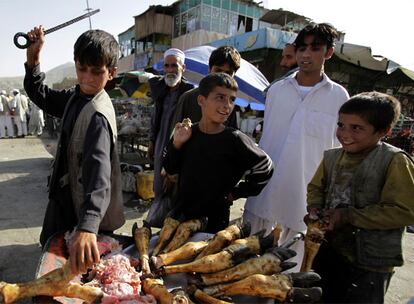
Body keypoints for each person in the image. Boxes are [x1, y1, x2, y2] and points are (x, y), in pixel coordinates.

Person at [243, 23, 350, 270]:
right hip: (265, 190)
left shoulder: (339, 97)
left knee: (289, 270)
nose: (306, 54)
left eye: (315, 48)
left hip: (305, 198)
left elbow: (336, 150)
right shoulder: (277, 91)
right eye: (301, 48)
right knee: (245, 261)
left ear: (329, 52)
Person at [24, 27, 125, 274]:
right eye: (82, 69)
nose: (87, 78)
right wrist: (33, 59)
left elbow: (99, 176)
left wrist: (88, 227)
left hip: (82, 214)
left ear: (111, 73)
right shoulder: (76, 96)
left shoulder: (98, 115)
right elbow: (42, 96)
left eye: (96, 71)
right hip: (63, 203)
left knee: (80, 279)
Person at [306, 92, 414, 303]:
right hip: (328, 252)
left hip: (369, 263)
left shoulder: (395, 161)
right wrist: (315, 209)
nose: (344, 133)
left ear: (384, 131)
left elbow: (405, 211)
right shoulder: (332, 156)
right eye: (341, 125)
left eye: (356, 128)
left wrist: (347, 216)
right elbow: (315, 188)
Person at [163, 73, 273, 233]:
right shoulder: (186, 133)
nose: (227, 105)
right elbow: (170, 169)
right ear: (201, 100)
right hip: (182, 215)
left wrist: (236, 193)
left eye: (232, 99)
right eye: (220, 97)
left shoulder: (235, 139)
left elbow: (266, 167)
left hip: (215, 221)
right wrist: (177, 144)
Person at [145, 48, 194, 227]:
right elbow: (154, 118)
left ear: (183, 67)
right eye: (167, 66)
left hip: (179, 145)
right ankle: (159, 224)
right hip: (160, 144)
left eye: (174, 65)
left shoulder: (190, 93)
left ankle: (171, 226)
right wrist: (151, 141)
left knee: (175, 186)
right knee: (159, 186)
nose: (170, 70)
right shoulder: (160, 90)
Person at [172, 45, 241, 128]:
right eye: (218, 71)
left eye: (228, 73)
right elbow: (175, 135)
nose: (222, 77)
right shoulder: (188, 98)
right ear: (209, 69)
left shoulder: (229, 104)